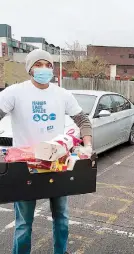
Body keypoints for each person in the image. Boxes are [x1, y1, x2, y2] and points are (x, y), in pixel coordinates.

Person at [0, 49, 93, 254]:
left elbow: (83, 120)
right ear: (29, 69)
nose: (44, 69)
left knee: (62, 218)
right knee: (23, 224)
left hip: (56, 164)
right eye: (38, 65)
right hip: (25, 167)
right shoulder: (15, 92)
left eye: (48, 65)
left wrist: (87, 145)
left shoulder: (62, 94)